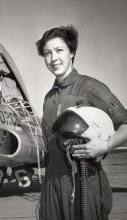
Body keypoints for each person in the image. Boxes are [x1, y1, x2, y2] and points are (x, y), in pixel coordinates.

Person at [36, 25, 127, 220]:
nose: (53, 59)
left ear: (72, 52)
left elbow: (125, 122)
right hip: (52, 184)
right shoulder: (48, 97)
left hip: (84, 181)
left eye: (59, 51)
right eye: (47, 53)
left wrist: (106, 145)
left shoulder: (91, 87)